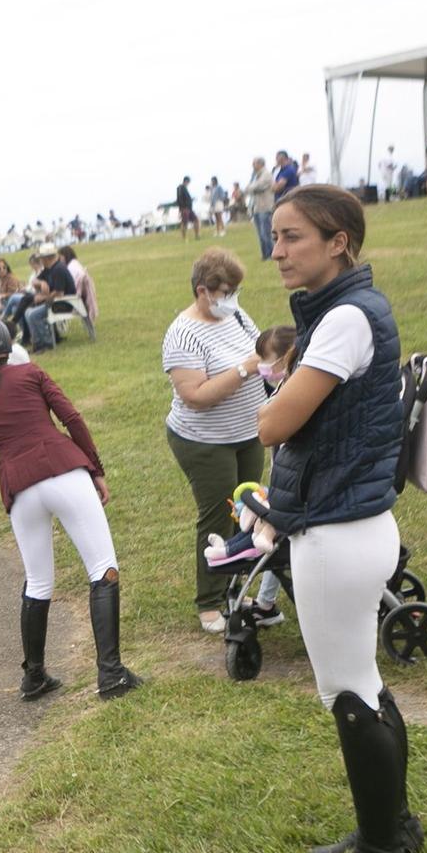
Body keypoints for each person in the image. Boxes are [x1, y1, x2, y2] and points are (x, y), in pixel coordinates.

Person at [257, 186, 419, 853]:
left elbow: (274, 423)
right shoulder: (345, 312)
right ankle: (393, 827)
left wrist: (270, 395)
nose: (278, 251)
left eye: (292, 236)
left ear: (339, 242)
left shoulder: (347, 317)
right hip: (354, 524)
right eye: (275, 236)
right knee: (367, 683)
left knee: (349, 693)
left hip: (337, 531)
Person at [0, 316, 142, 702]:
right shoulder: (30, 373)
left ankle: (34, 676)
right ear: (7, 346)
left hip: (19, 488)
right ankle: (110, 674)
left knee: (38, 581)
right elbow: (71, 418)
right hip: (62, 470)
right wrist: (96, 468)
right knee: (102, 569)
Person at [162, 248, 281, 634]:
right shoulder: (183, 334)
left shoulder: (237, 315)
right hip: (205, 441)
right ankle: (210, 603)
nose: (232, 299)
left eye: (235, 291)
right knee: (217, 514)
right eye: (225, 292)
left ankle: (237, 588)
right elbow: (196, 397)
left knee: (248, 512)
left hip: (247, 433)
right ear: (202, 290)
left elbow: (260, 348)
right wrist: (246, 368)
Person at [22, 243, 77, 354]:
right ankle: (38, 345)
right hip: (56, 302)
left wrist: (42, 298)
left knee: (33, 315)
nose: (40, 260)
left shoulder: (58, 269)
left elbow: (59, 293)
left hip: (64, 304)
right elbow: (34, 281)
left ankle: (47, 344)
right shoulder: (49, 269)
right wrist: (41, 282)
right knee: (28, 312)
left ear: (46, 258)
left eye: (41, 258)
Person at [56, 244, 97, 340]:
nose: (59, 259)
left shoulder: (71, 268)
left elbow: (71, 287)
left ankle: (56, 336)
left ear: (65, 256)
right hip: (82, 299)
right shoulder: (75, 264)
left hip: (75, 300)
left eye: (60, 257)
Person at [247, 156, 277, 261]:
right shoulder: (255, 176)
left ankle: (272, 254)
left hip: (265, 207)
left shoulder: (266, 174)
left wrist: (252, 187)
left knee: (266, 233)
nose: (252, 166)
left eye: (254, 163)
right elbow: (249, 187)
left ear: (260, 164)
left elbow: (257, 186)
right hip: (257, 208)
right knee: (260, 234)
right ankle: (265, 255)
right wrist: (252, 187)